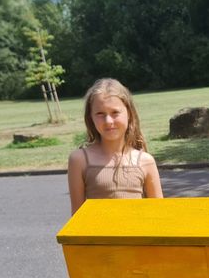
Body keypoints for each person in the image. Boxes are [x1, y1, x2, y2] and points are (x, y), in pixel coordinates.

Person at [67, 78, 163, 214]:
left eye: (115, 113)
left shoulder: (145, 161)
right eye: (100, 114)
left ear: (129, 113)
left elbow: (160, 214)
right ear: (90, 117)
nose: (108, 121)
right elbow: (77, 217)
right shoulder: (79, 160)